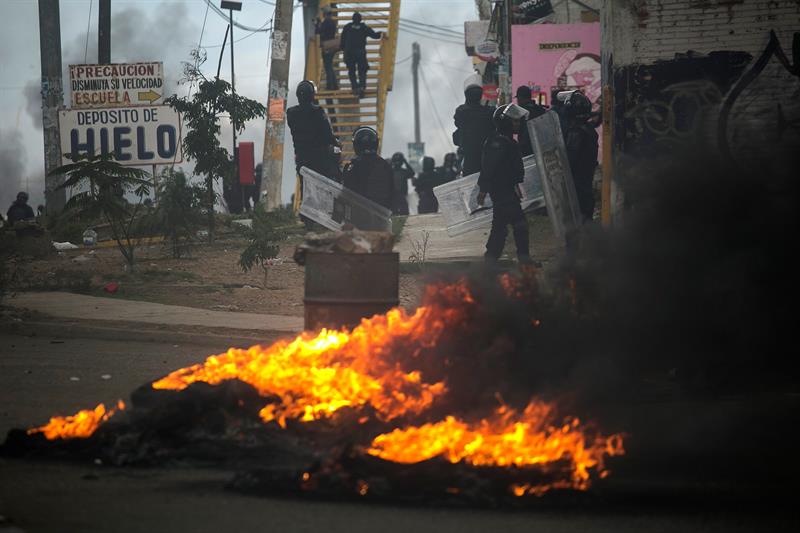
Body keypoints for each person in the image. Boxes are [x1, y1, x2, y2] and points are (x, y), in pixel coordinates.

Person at [477, 103, 532, 264]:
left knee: (501, 226)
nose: (518, 124)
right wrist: (483, 189)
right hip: (501, 190)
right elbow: (488, 167)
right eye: (514, 121)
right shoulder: (498, 142)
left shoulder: (506, 141)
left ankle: (492, 260)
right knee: (517, 224)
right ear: (505, 122)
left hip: (507, 189)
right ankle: (521, 259)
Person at [558, 90, 599, 223]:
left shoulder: (576, 132)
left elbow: (570, 160)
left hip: (576, 188)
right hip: (586, 184)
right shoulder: (589, 130)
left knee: (576, 223)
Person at [287, 80, 341, 179]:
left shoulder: (291, 113)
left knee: (304, 184)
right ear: (312, 95)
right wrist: (336, 142)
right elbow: (328, 134)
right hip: (319, 159)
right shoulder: (318, 112)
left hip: (302, 158)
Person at [342, 127, 394, 211]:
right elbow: (392, 191)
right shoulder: (385, 165)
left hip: (358, 212)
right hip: (381, 213)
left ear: (356, 145)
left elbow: (346, 192)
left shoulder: (352, 166)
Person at [453, 84, 495, 176]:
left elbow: (457, 123)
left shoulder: (462, 111)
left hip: (471, 155)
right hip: (486, 153)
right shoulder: (488, 111)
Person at [340, 12, 383, 98]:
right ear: (360, 20)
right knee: (362, 71)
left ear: (352, 19)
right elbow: (374, 35)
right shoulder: (364, 27)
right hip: (360, 53)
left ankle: (355, 87)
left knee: (351, 71)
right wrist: (382, 33)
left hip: (349, 53)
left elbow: (342, 40)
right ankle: (361, 87)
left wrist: (344, 50)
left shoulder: (347, 27)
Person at [515, 85, 546, 157]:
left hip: (526, 149)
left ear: (520, 98)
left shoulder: (521, 112)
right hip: (541, 147)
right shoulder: (540, 110)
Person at [315, 6, 339, 91]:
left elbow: (318, 32)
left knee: (328, 67)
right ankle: (334, 85)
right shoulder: (332, 22)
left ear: (325, 14)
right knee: (330, 66)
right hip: (331, 46)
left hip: (326, 46)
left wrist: (317, 24)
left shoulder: (326, 22)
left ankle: (330, 86)